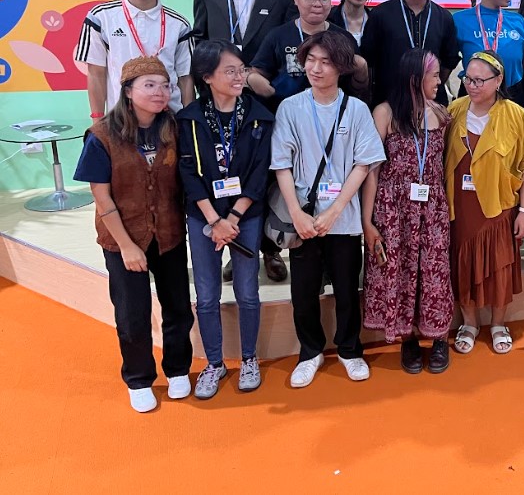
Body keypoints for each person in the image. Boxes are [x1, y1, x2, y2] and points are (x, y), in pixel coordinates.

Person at [73, 56, 194, 413]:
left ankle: (177, 369)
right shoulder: (102, 136)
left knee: (177, 307)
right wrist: (127, 246)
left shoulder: (175, 128)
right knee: (132, 313)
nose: (160, 92)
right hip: (123, 239)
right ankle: (139, 377)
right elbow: (101, 195)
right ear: (128, 92)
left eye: (165, 85)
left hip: (170, 235)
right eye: (149, 85)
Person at [271, 30, 386, 387]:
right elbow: (281, 165)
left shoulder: (356, 108)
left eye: (325, 61)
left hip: (345, 219)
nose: (316, 68)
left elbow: (364, 165)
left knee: (347, 290)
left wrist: (336, 211)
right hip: (304, 218)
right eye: (311, 60)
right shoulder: (291, 107)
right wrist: (296, 213)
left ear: (342, 67)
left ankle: (350, 350)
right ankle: (310, 352)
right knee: (303, 291)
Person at [192, 0, 298, 285]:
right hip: (218, 98)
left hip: (261, 97)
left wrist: (256, 76)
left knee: (264, 170)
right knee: (224, 167)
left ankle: (269, 247)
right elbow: (201, 41)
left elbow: (287, 51)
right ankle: (231, 248)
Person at [177, 40, 275, 399]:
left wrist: (232, 216)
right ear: (207, 77)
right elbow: (188, 174)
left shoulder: (259, 116)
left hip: (244, 216)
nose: (239, 77)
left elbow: (260, 172)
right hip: (203, 217)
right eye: (230, 71)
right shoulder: (188, 119)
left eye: (242, 69)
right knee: (206, 294)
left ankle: (249, 358)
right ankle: (215, 363)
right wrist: (214, 221)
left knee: (248, 291)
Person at [361, 48, 454, 374]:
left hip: (432, 209)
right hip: (393, 211)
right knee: (398, 274)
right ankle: (409, 338)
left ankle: (439, 336)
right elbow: (371, 171)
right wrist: (367, 222)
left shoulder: (441, 114)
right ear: (415, 79)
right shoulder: (384, 113)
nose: (439, 80)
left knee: (434, 274)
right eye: (434, 75)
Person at [445, 50, 524, 355]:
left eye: (480, 80)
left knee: (499, 266)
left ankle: (499, 323)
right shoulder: (454, 110)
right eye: (468, 78)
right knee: (463, 263)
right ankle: (469, 323)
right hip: (460, 205)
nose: (472, 85)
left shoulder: (515, 115)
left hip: (500, 206)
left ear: (498, 80)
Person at [75, 0, 195, 118]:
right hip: (121, 123)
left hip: (170, 122)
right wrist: (98, 121)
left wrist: (188, 122)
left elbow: (186, 78)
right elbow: (96, 74)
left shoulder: (179, 24)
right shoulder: (100, 17)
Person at [248, 0, 368, 111]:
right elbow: (258, 72)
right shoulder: (277, 36)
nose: (317, 4)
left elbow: (357, 88)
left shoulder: (343, 38)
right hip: (286, 115)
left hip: (334, 115)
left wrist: (362, 69)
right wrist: (257, 81)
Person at [359, 0, 460, 107]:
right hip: (390, 105)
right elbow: (370, 63)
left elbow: (449, 61)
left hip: (432, 106)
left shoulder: (443, 17)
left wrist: (428, 85)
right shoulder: (380, 15)